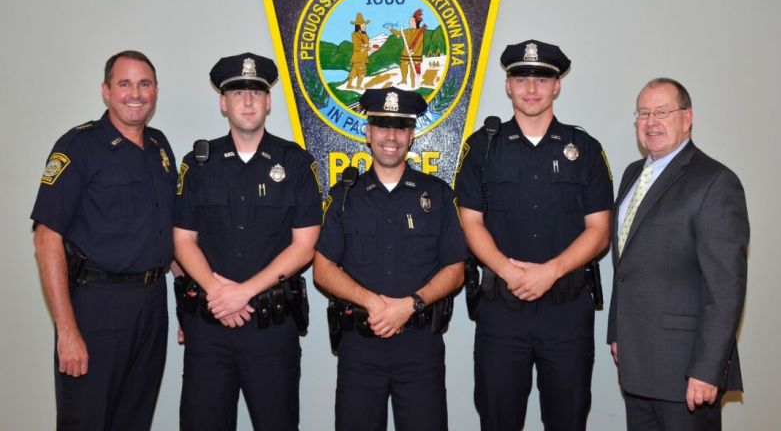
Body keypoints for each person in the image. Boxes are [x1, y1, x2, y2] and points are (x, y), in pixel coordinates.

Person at [454, 39, 613, 431]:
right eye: (521, 77)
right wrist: (510, 272)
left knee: (568, 419)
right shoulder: (482, 148)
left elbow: (599, 231)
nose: (530, 88)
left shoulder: (585, 148)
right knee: (498, 420)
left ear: (557, 86)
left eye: (542, 79)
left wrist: (551, 272)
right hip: (501, 312)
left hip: (567, 312)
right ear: (507, 85)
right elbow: (469, 221)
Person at [173, 52, 322, 431]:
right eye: (237, 92)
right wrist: (216, 292)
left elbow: (305, 245)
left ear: (269, 101)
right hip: (209, 327)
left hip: (271, 329)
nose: (248, 100)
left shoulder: (296, 164)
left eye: (257, 91)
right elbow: (182, 240)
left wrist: (243, 293)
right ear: (223, 103)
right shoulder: (198, 164)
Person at [31, 50, 176, 430]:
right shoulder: (79, 146)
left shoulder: (160, 147)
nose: (135, 93)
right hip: (98, 306)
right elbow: (46, 238)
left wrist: (193, 298)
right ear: (106, 91)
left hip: (151, 303)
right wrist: (66, 330)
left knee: (134, 418)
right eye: (124, 83)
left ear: (155, 90)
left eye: (144, 84)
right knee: (88, 420)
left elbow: (166, 234)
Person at [314, 87, 467, 431]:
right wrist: (373, 303)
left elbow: (456, 269)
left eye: (400, 127)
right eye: (382, 126)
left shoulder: (438, 195)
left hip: (420, 347)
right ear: (367, 133)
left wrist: (410, 305)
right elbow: (322, 270)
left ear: (411, 135)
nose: (391, 137)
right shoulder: (344, 198)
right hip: (359, 347)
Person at [607, 78, 749, 431]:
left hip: (685, 372)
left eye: (662, 112)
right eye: (643, 113)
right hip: (638, 365)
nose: (651, 122)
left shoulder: (715, 182)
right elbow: (626, 264)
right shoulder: (631, 176)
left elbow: (726, 288)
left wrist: (706, 370)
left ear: (687, 118)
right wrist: (617, 331)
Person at [389, 8, 427, 88]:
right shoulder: (407, 31)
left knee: (413, 69)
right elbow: (399, 34)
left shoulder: (420, 32)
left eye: (411, 20)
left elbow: (419, 44)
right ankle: (404, 80)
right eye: (410, 20)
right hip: (406, 53)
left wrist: (413, 51)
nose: (409, 22)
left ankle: (413, 83)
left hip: (414, 54)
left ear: (415, 22)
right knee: (403, 65)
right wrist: (391, 29)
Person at [346, 12, 370, 90]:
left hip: (363, 57)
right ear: (358, 26)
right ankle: (358, 86)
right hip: (357, 57)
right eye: (363, 25)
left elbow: (366, 45)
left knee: (354, 71)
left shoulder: (365, 35)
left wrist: (368, 48)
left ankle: (349, 85)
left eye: (365, 25)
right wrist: (364, 48)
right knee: (362, 71)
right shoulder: (354, 34)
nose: (365, 27)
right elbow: (356, 47)